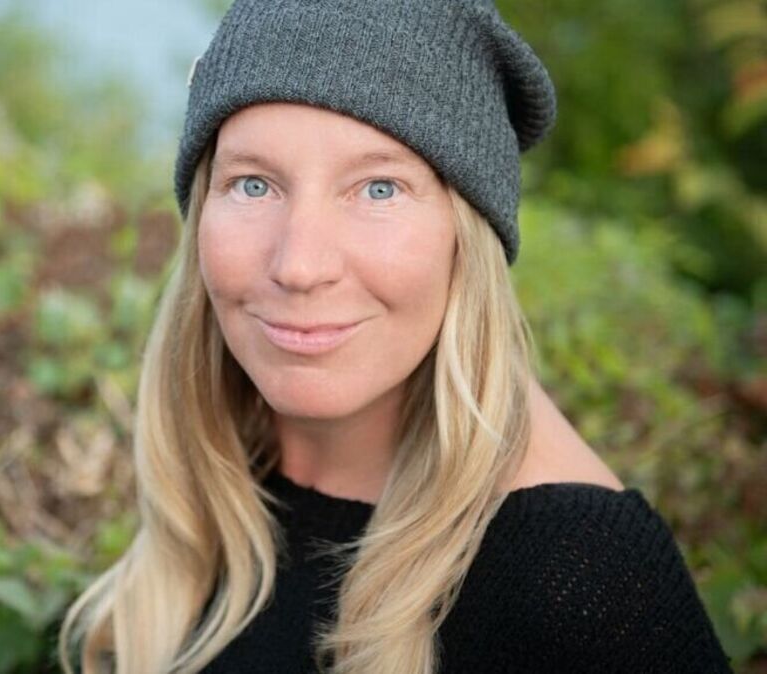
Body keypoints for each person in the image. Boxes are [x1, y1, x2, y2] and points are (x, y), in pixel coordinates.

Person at [58, 1, 734, 672]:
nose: (299, 264)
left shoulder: (579, 572)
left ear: (466, 239)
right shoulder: (223, 489)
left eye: (379, 188)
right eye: (254, 184)